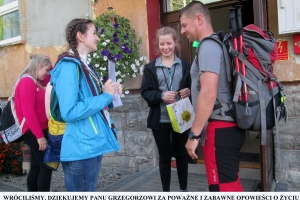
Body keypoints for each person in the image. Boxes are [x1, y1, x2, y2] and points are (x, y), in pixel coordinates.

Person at [179, 1, 246, 192]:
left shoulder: (208, 46)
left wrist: (194, 135)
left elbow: (209, 93)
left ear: (199, 19)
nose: (183, 31)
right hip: (228, 127)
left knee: (224, 189)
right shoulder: (219, 43)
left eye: (185, 25)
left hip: (219, 129)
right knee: (230, 184)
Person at [50, 18, 122, 191]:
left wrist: (111, 95)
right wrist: (105, 96)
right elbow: (69, 111)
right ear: (80, 36)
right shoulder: (69, 66)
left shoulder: (84, 66)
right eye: (94, 33)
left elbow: (97, 105)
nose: (97, 38)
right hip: (81, 146)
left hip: (89, 143)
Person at [141, 27, 191, 192]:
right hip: (160, 119)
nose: (165, 47)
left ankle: (183, 190)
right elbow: (145, 92)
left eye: (169, 43)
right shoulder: (150, 68)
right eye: (162, 44)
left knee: (182, 155)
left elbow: (193, 87)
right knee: (164, 157)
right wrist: (161, 96)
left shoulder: (185, 65)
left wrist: (188, 91)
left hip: (181, 117)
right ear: (157, 45)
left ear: (175, 43)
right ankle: (166, 192)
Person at [14, 54, 53, 191]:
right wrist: (39, 136)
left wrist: (49, 64)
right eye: (46, 69)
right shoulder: (27, 82)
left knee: (37, 166)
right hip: (34, 131)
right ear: (38, 66)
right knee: (46, 166)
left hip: (40, 129)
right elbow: (28, 111)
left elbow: (50, 80)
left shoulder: (36, 80)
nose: (47, 73)